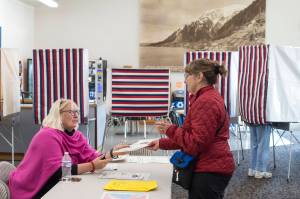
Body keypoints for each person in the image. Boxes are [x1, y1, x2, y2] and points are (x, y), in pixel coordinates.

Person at [148, 59, 235, 199]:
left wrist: (170, 130)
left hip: (210, 168)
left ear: (199, 76)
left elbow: (196, 143)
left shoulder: (206, 101)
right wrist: (161, 143)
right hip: (211, 165)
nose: (185, 80)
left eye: (187, 76)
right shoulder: (206, 98)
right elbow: (191, 137)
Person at [8, 99, 128, 199]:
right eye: (71, 111)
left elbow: (93, 157)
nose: (76, 115)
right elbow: (57, 172)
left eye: (77, 111)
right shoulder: (47, 135)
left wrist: (112, 152)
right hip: (34, 189)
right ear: (58, 114)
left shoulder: (77, 135)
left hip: (59, 185)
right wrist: (92, 166)